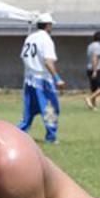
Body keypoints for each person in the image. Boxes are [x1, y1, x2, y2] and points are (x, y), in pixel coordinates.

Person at [18, 12, 64, 144]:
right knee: (51, 108)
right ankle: (51, 137)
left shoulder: (30, 38)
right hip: (42, 79)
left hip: (29, 79)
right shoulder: (46, 39)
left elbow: (23, 56)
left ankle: (18, 133)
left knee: (28, 112)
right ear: (48, 25)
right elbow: (48, 61)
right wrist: (57, 78)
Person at [86, 31, 100, 110]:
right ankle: (89, 98)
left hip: (89, 69)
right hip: (96, 69)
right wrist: (95, 71)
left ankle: (94, 106)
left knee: (94, 88)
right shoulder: (98, 46)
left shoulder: (90, 46)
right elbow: (95, 58)